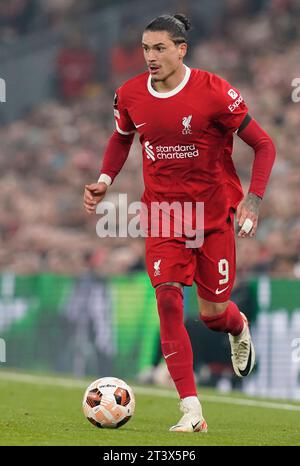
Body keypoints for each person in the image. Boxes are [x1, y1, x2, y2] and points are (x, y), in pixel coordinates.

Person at [83, 14, 276, 433]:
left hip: (212, 218)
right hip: (163, 218)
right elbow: (121, 138)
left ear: (180, 49)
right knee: (168, 300)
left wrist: (254, 201)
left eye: (159, 48)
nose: (150, 57)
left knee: (212, 315)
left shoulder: (213, 92)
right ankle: (191, 409)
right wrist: (103, 180)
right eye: (145, 49)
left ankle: (237, 326)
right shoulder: (131, 94)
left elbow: (264, 144)